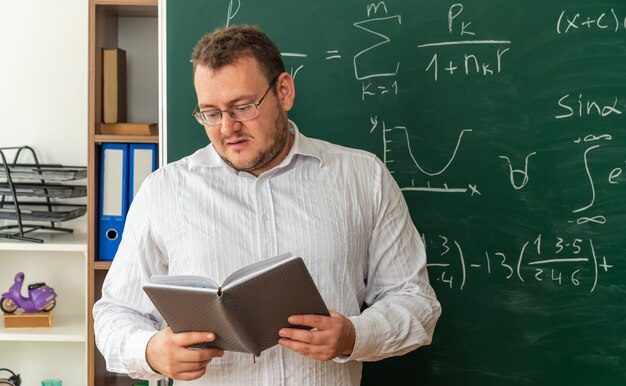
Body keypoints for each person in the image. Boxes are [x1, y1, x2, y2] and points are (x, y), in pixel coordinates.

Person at [93, 24, 441, 385]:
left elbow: (416, 303)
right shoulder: (164, 190)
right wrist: (149, 350)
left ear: (284, 91)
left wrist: (355, 335)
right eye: (210, 113)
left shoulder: (362, 177)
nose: (228, 127)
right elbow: (115, 312)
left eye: (242, 107)